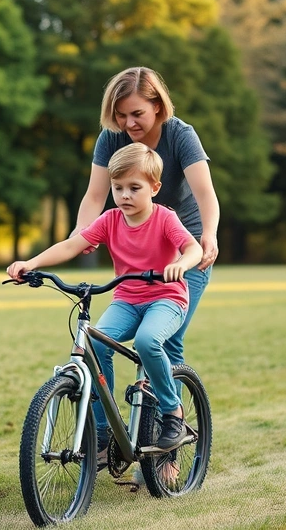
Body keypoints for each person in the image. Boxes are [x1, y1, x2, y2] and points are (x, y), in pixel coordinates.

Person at [7, 143, 202, 453]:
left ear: (154, 188)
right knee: (94, 346)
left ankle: (172, 410)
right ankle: (103, 429)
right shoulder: (110, 220)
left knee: (147, 341)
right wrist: (31, 264)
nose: (124, 195)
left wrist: (180, 264)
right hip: (127, 299)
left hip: (167, 298)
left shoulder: (165, 218)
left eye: (134, 187)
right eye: (118, 187)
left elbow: (194, 249)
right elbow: (72, 246)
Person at [72, 66, 220, 377]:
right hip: (141, 250)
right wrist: (82, 232)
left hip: (184, 249)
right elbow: (95, 196)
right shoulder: (112, 138)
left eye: (137, 113)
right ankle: (129, 420)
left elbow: (205, 194)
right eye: (121, 115)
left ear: (157, 104)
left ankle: (170, 421)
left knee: (165, 340)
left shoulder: (180, 135)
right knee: (113, 340)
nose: (128, 123)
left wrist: (210, 235)